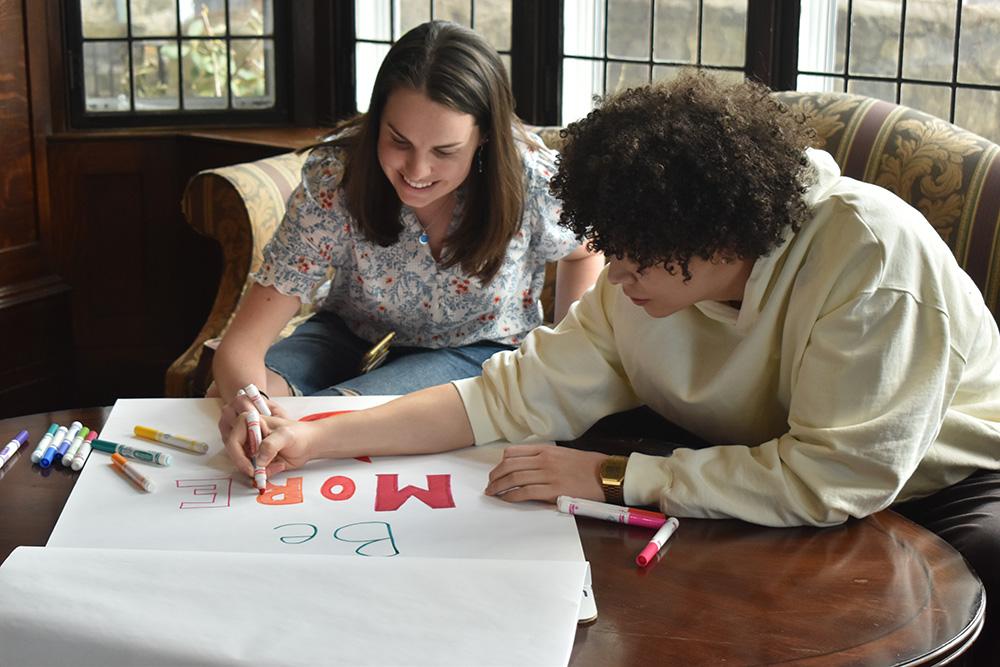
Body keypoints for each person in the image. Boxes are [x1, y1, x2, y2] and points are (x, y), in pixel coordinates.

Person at [223, 72, 1000, 663]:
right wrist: (316, 436)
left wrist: (611, 476)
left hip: (936, 480)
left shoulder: (870, 258)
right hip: (741, 449)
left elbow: (835, 480)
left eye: (633, 264)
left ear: (716, 233)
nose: (615, 282)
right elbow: (510, 396)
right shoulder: (644, 275)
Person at [210, 20, 603, 432]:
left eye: (445, 151)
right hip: (348, 334)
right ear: (378, 118)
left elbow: (585, 248)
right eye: (399, 141)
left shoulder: (532, 182)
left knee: (334, 419)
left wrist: (561, 350)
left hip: (476, 348)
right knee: (234, 400)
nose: (417, 171)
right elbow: (241, 347)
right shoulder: (336, 178)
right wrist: (246, 406)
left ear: (484, 136)